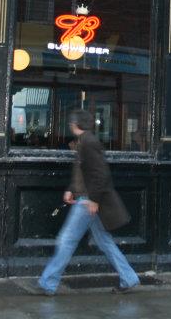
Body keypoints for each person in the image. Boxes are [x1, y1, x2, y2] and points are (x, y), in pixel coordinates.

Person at [37, 109, 139, 295]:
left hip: (87, 203)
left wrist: (93, 200)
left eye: (71, 122)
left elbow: (100, 174)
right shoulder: (84, 141)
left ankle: (48, 283)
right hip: (86, 199)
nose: (70, 124)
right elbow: (83, 172)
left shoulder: (89, 143)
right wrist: (71, 189)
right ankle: (129, 278)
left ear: (76, 124)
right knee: (104, 242)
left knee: (66, 240)